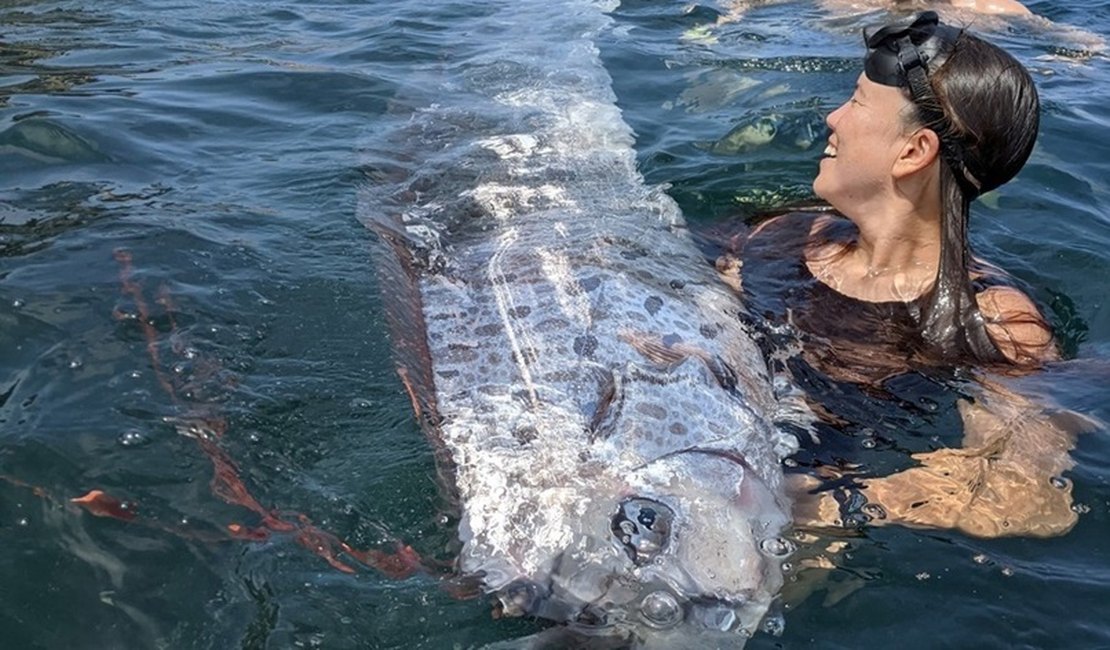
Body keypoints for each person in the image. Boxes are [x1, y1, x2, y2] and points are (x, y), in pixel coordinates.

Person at [715, 11, 1089, 538]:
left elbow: (1023, 496)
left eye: (856, 103)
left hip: (799, 523)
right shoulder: (781, 235)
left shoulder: (993, 320)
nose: (832, 118)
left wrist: (823, 502)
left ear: (914, 152)